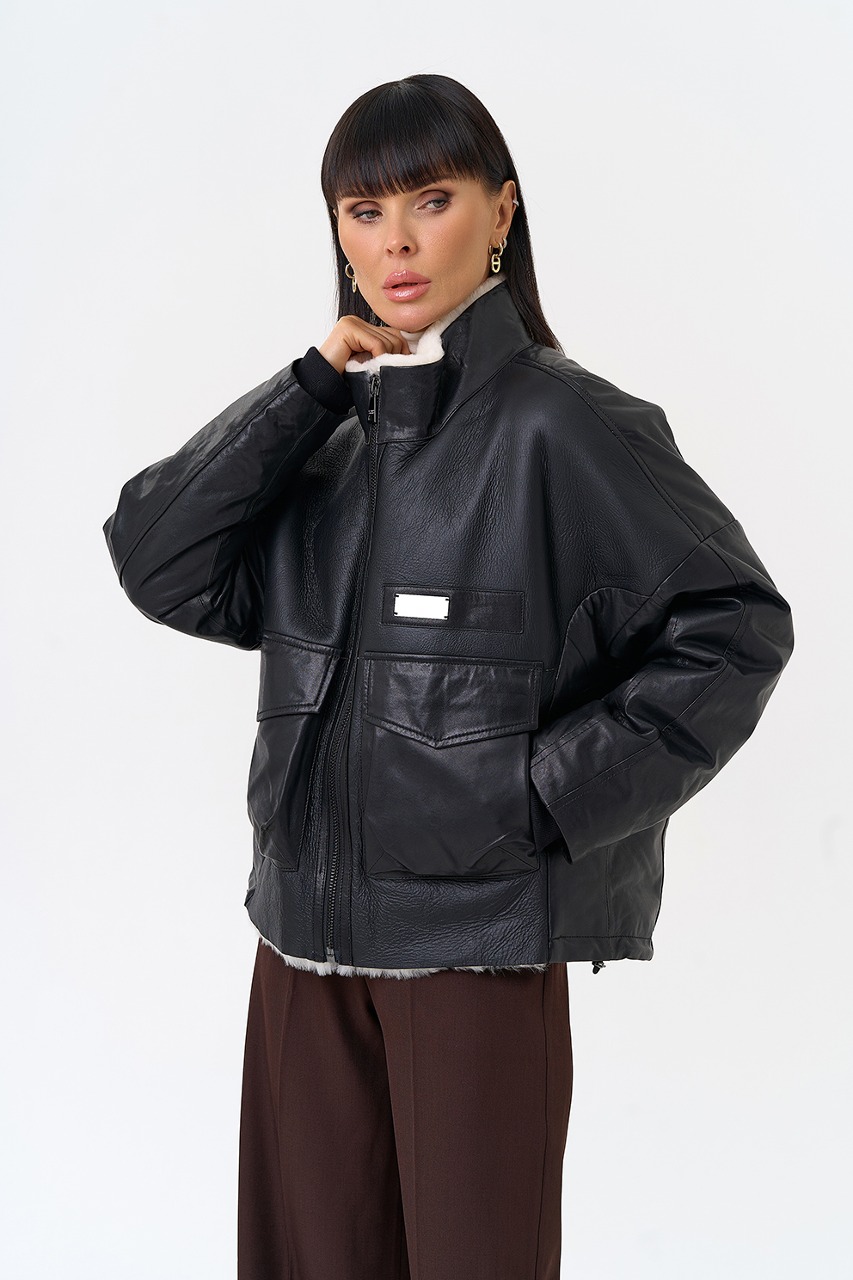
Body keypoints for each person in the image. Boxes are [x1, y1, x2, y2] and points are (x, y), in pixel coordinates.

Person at [102, 74, 795, 1280]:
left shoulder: (564, 426)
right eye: (363, 211)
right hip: (300, 940)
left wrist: (537, 797)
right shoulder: (324, 439)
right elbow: (157, 559)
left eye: (431, 200)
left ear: (501, 212)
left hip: (473, 948)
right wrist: (308, 384)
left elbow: (734, 629)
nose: (397, 242)